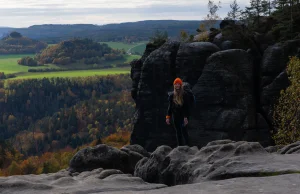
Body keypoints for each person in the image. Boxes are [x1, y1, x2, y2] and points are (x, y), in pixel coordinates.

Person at [166, 78, 191, 146]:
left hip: (183, 116)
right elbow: (170, 107)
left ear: (180, 85)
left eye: (178, 84)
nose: (177, 85)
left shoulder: (184, 94)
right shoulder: (172, 95)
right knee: (178, 132)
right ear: (174, 85)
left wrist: (186, 117)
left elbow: (186, 107)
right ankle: (180, 146)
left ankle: (188, 146)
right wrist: (168, 117)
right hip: (175, 116)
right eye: (176, 84)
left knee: (184, 131)